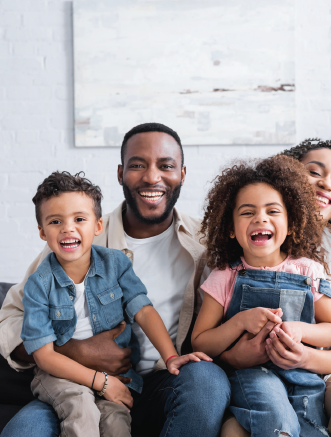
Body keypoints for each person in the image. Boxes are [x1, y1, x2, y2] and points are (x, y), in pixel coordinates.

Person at [0, 123, 238, 437]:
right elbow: (10, 320)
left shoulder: (206, 242)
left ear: (182, 173)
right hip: (73, 380)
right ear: (120, 173)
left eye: (165, 166)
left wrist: (172, 357)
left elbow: (147, 309)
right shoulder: (76, 237)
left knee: (206, 381)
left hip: (162, 383)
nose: (152, 177)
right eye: (138, 165)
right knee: (24, 432)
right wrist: (75, 350)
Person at [220, 135, 331, 437]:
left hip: (323, 376)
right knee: (236, 431)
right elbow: (205, 339)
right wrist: (238, 356)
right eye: (314, 172)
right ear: (286, 179)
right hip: (253, 377)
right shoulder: (247, 239)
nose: (327, 184)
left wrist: (305, 357)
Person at [21, 171, 211, 437]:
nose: (67, 228)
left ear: (98, 226)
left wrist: (171, 356)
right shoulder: (38, 283)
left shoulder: (116, 264)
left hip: (114, 373)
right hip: (58, 375)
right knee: (82, 410)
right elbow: (44, 355)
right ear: (42, 232)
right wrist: (101, 381)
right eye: (55, 221)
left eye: (79, 219)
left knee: (117, 421)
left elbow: (143, 311)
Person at [192, 155, 331, 436]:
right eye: (248, 212)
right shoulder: (225, 275)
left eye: (272, 211)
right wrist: (239, 322)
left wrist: (299, 330)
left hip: (303, 377)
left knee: (311, 430)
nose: (260, 217)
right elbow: (200, 342)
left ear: (291, 222)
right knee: (279, 423)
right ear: (230, 229)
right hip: (250, 376)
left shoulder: (309, 271)